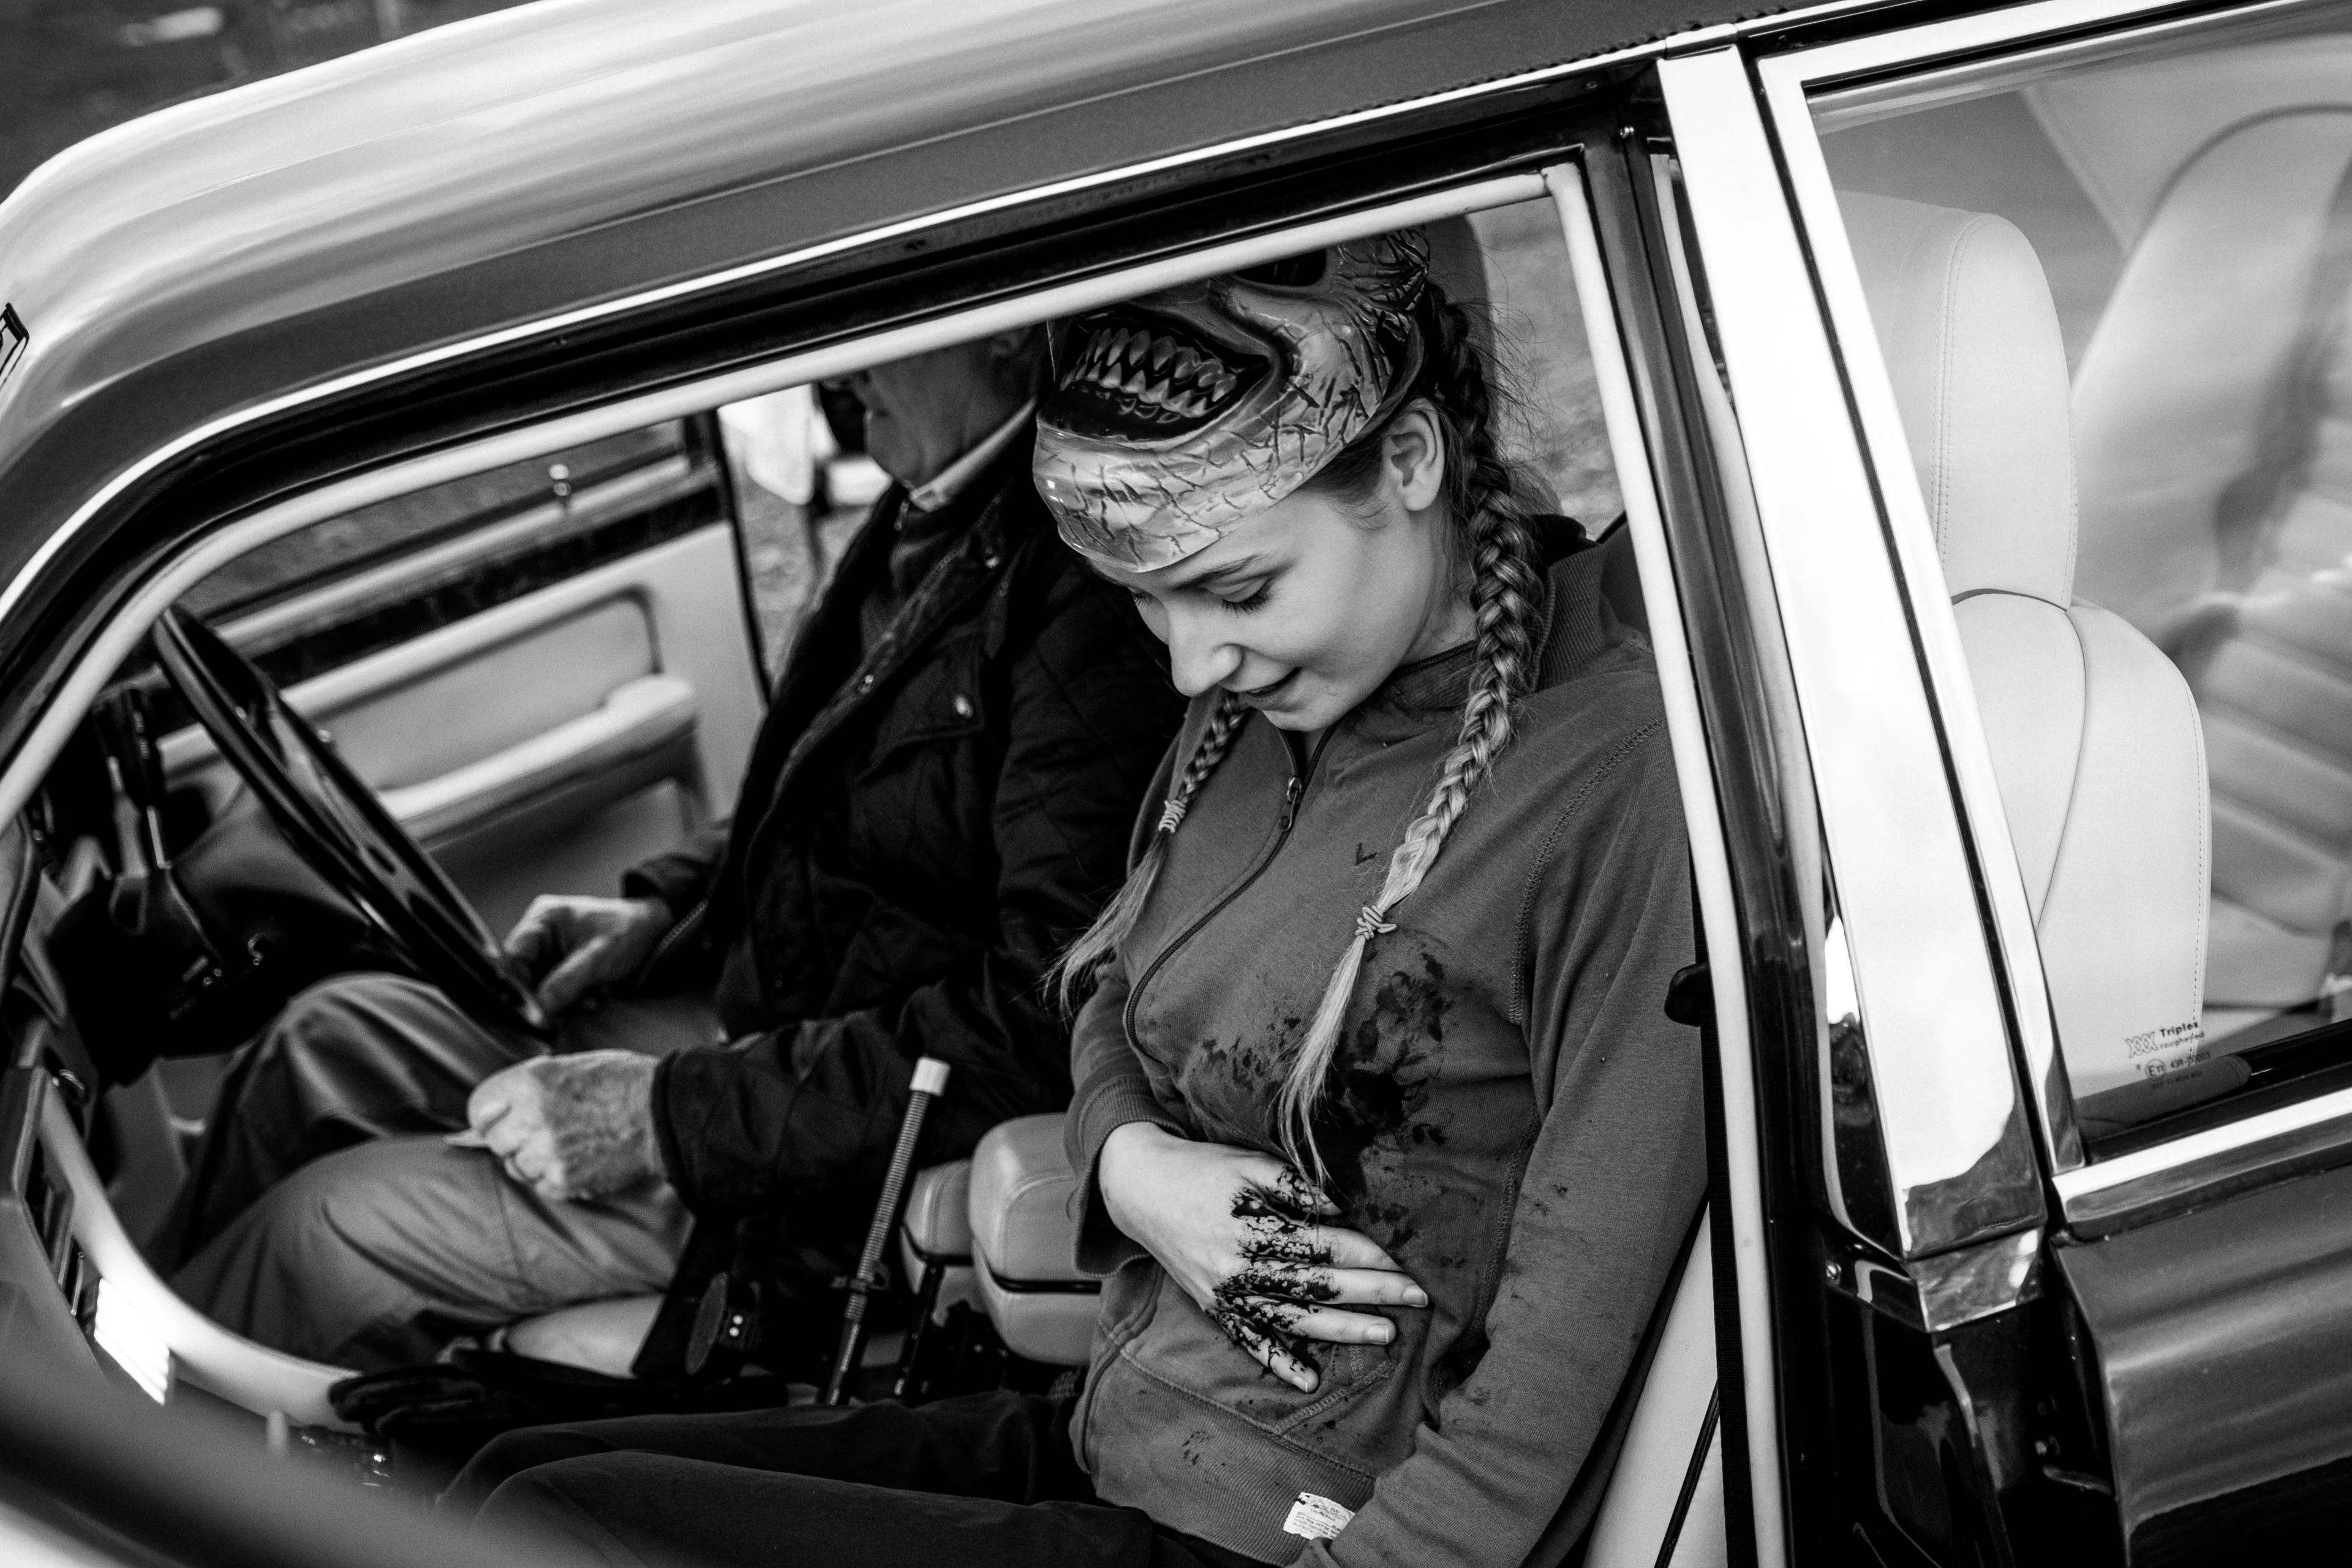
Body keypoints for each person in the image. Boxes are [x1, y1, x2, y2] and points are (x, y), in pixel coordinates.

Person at [451, 232, 1708, 1567]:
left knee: (551, 1526)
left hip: (1292, 1534)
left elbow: (1562, 1353)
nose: (1187, 664)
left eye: (1237, 588)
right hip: (1124, 1430)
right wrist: (1131, 1163)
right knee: (501, 1470)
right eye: (1145, 603)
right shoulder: (1257, 717)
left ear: (1407, 465)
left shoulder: (1609, 781)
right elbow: (1105, 982)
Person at [167, 327, 1185, 1374]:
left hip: (809, 1168)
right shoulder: (937, 511)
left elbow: (1037, 1020)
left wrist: (662, 1114)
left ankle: (105, 1477)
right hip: (760, 1021)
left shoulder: (1080, 597)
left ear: (1011, 338)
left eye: (886, 333)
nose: (835, 368)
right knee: (330, 1034)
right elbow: (836, 798)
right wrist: (662, 909)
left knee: (316, 1231)